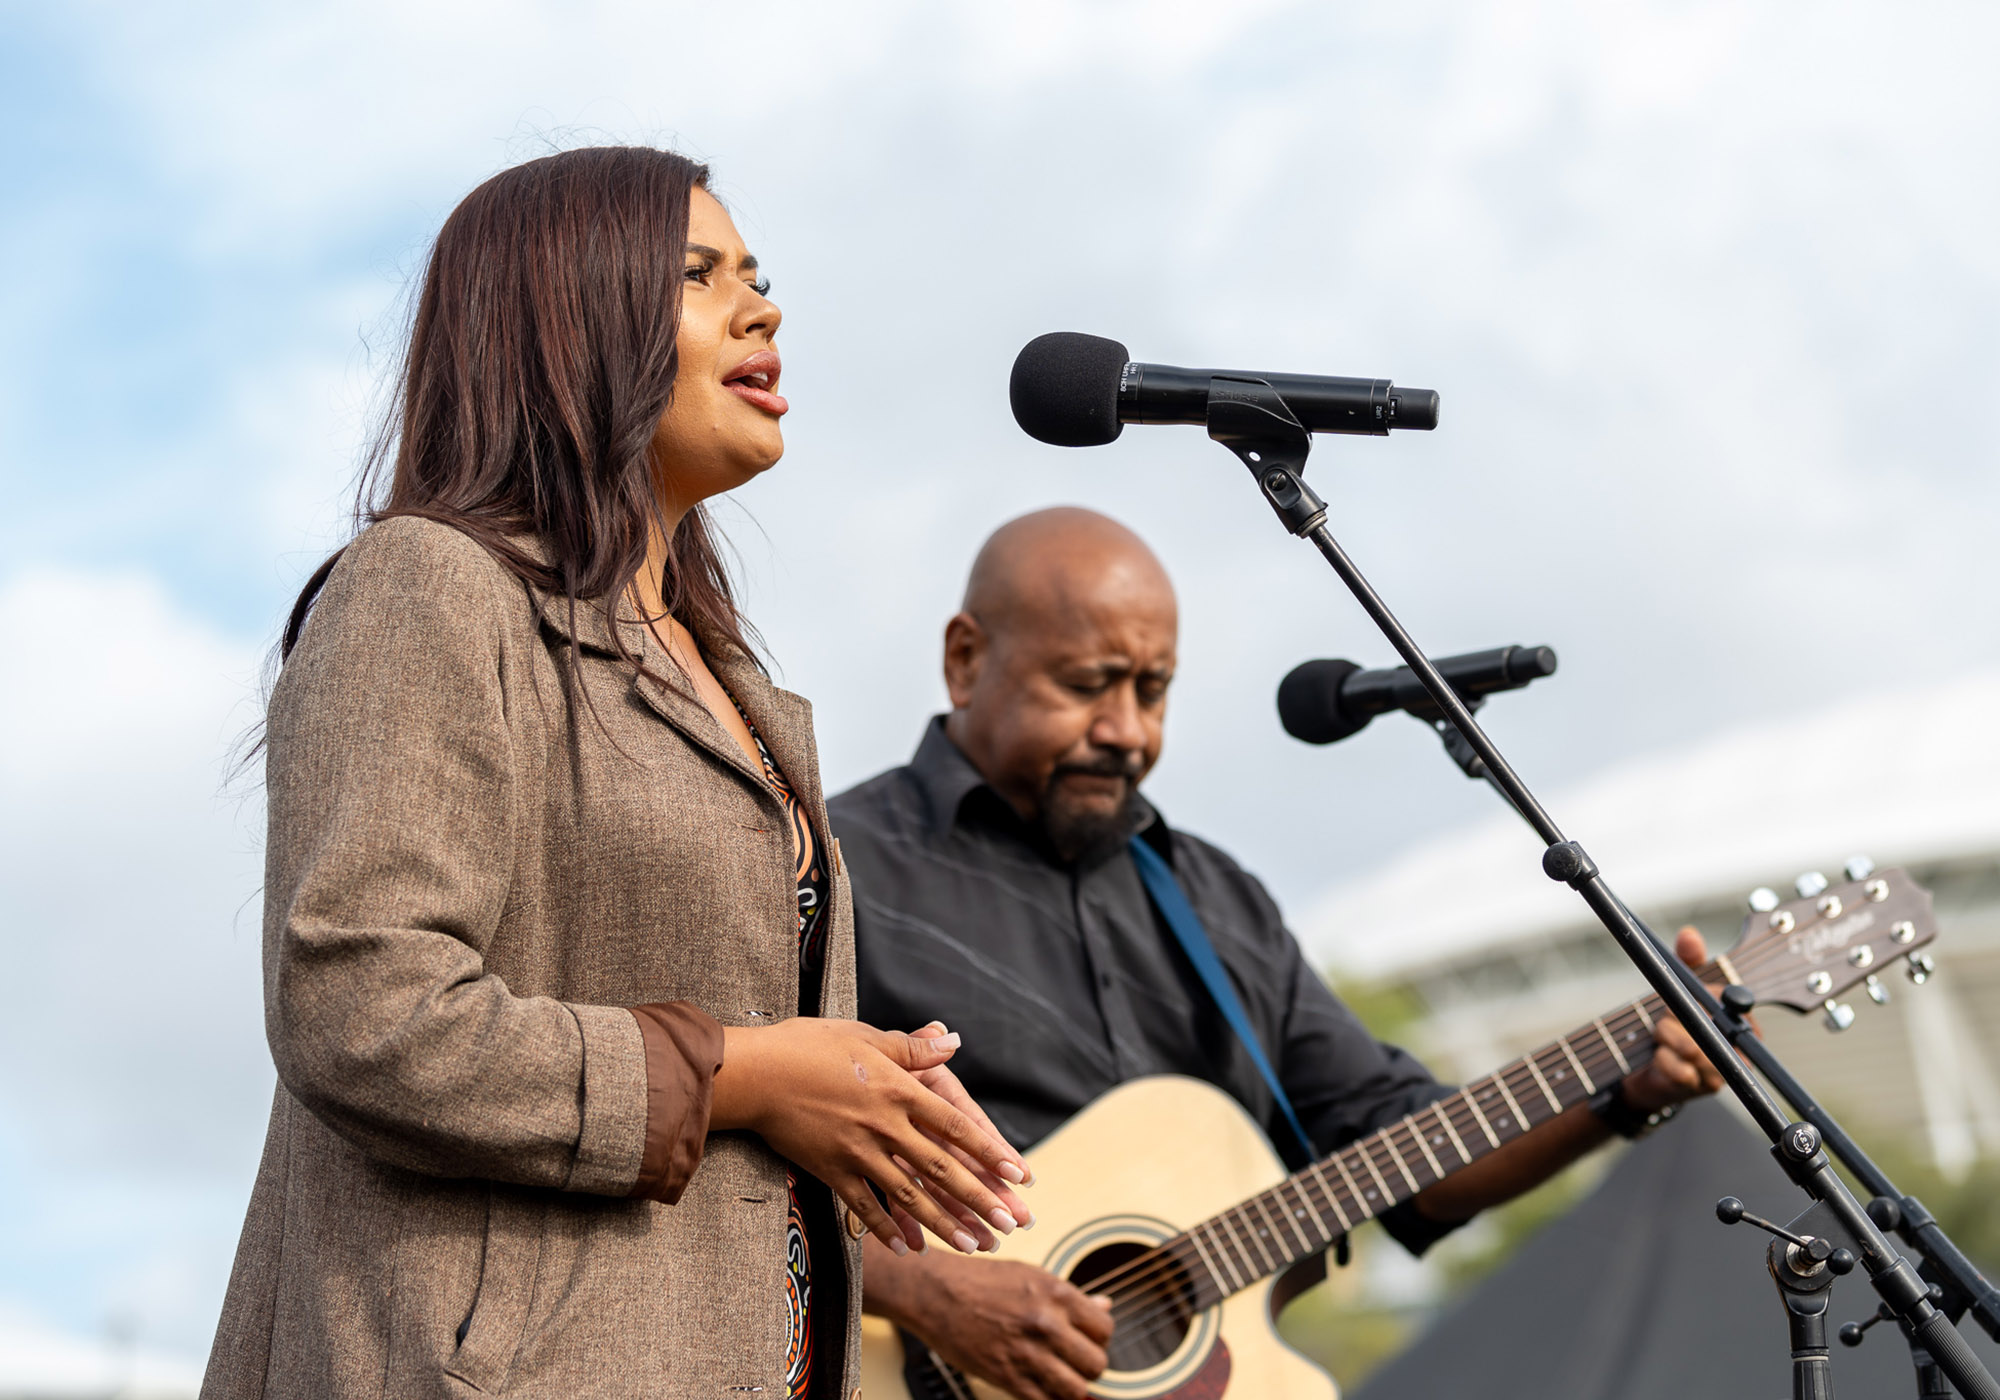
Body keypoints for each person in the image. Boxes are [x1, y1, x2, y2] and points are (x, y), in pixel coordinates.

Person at [200, 147, 1030, 1400]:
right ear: (563, 325)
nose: (764, 308)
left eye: (756, 274)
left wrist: (861, 1095)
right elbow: (362, 1010)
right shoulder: (426, 588)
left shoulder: (731, 684)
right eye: (700, 277)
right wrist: (752, 1072)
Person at [829, 506, 1726, 1400]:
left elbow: (1412, 1156)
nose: (1129, 731)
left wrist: (1628, 1091)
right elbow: (724, 1136)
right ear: (966, 660)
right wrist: (920, 1291)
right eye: (1087, 684)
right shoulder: (832, 867)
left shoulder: (1221, 906)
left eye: (1153, 690)